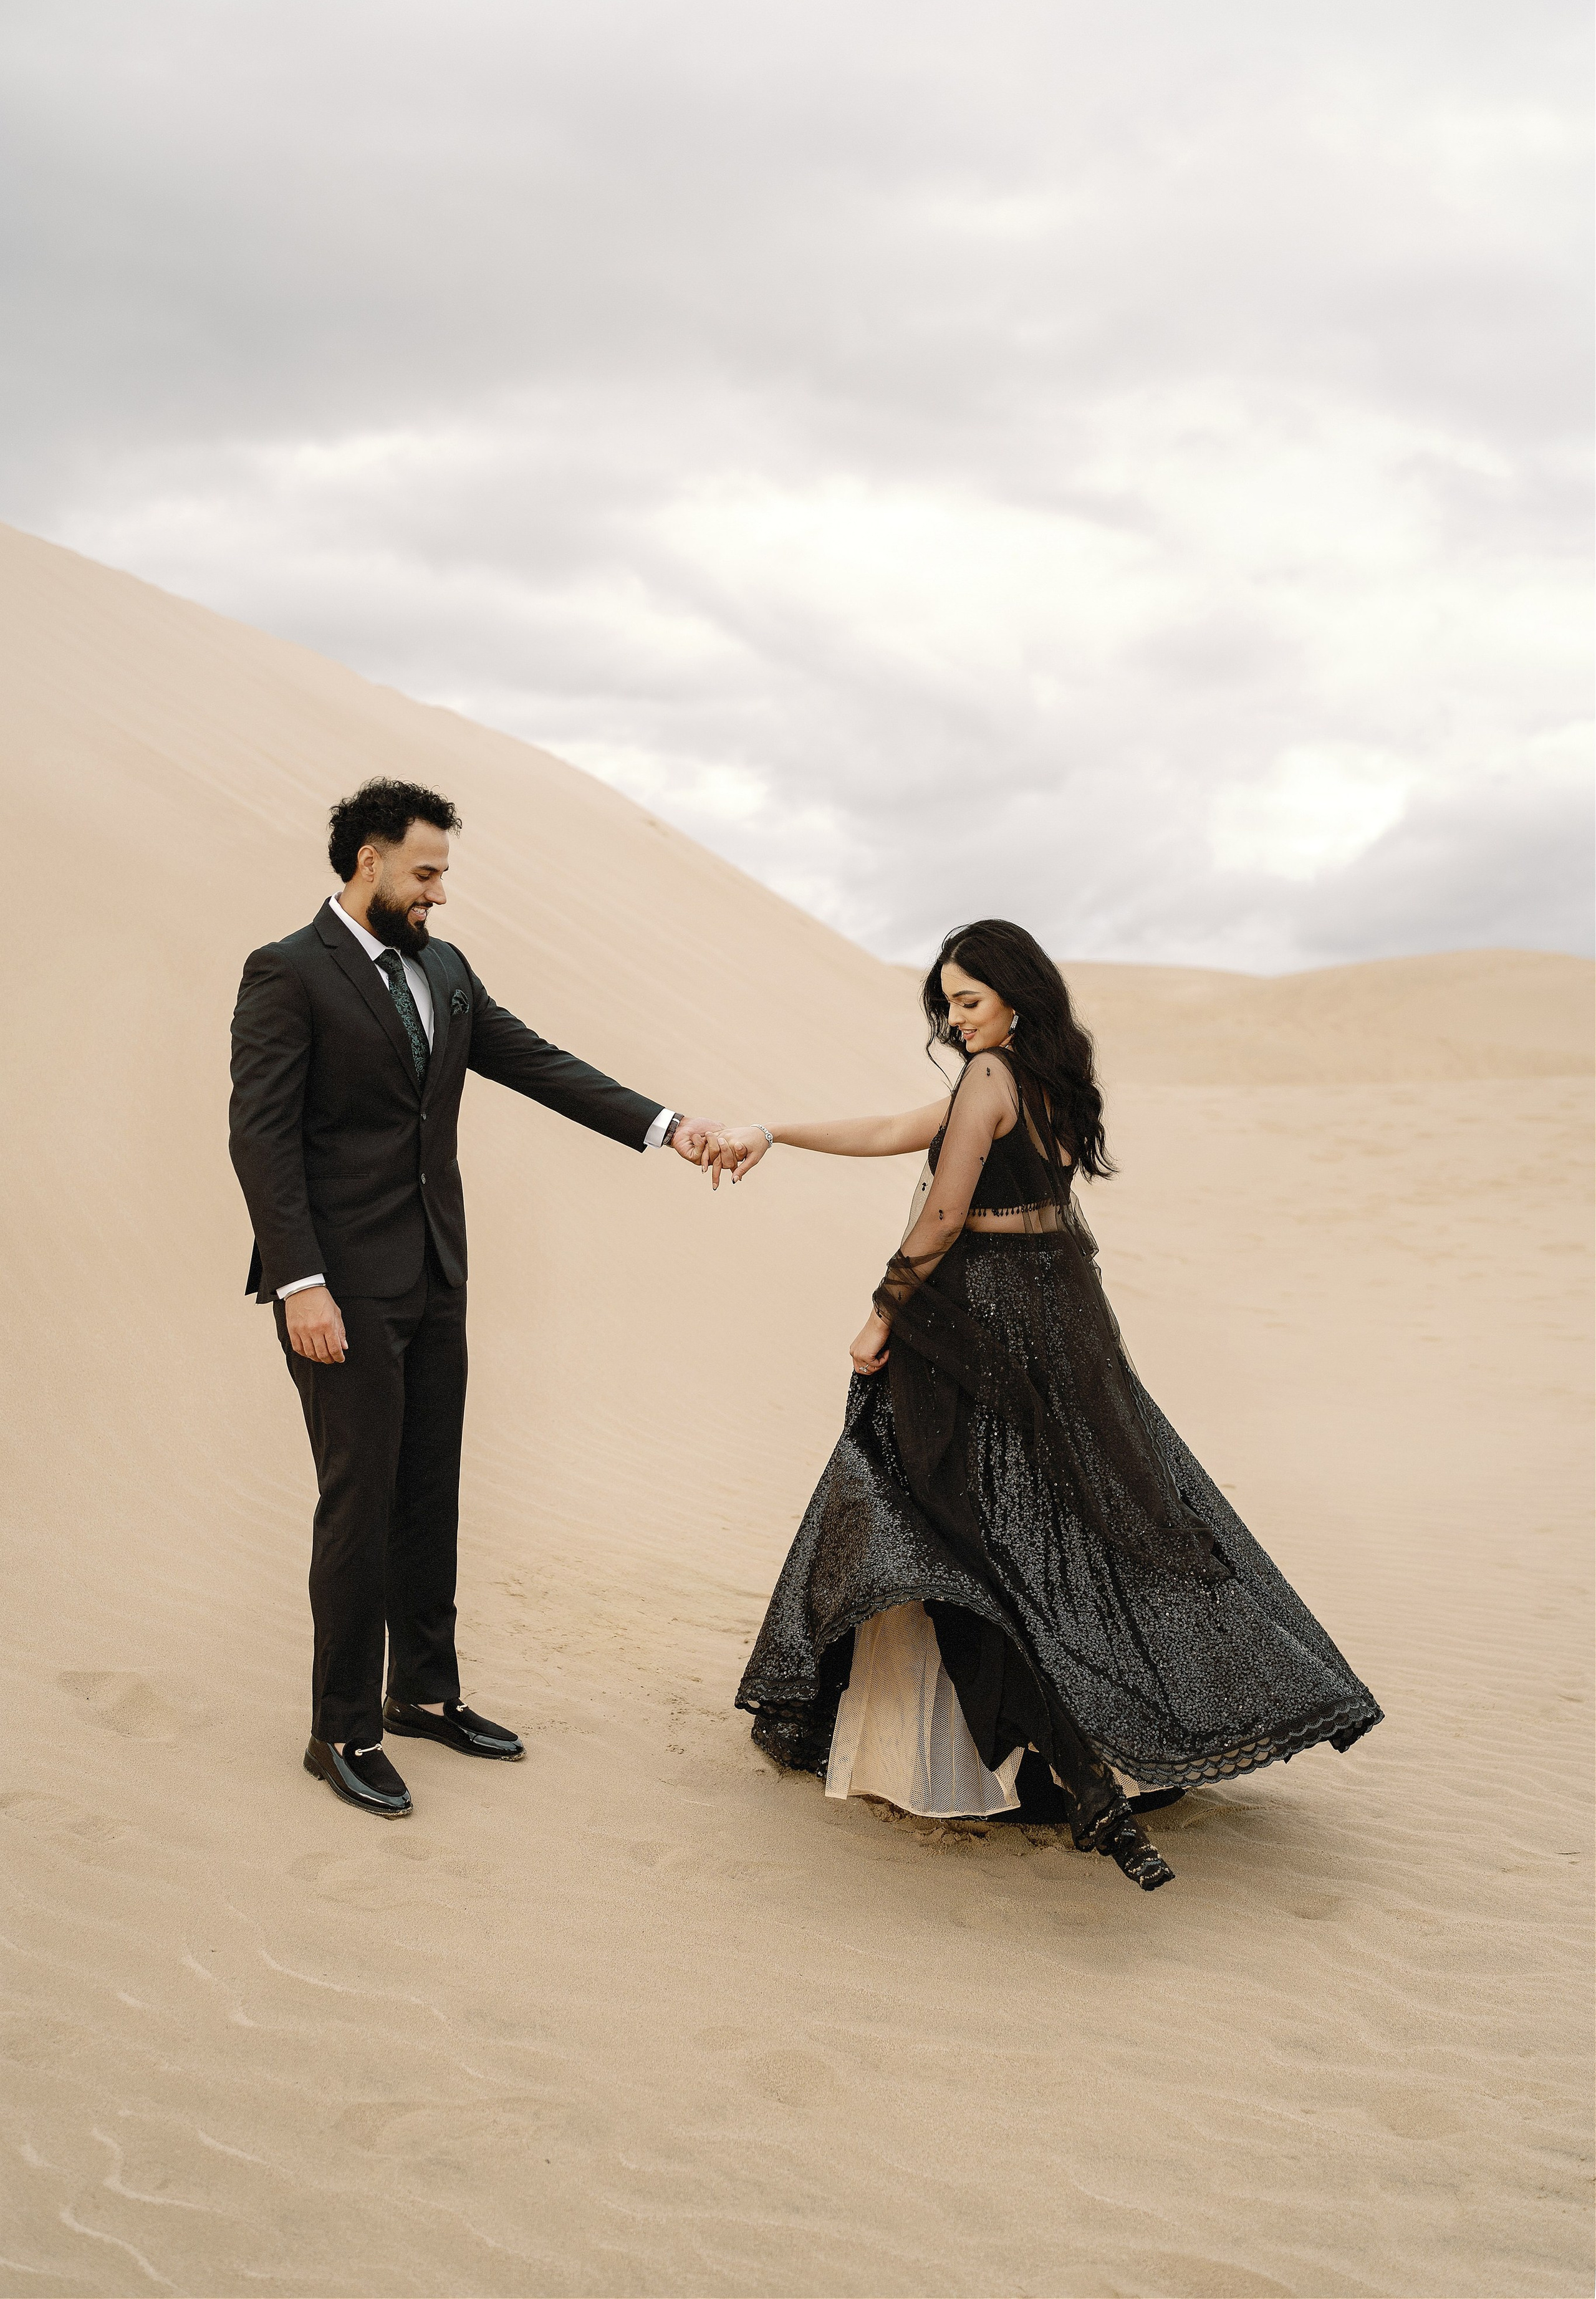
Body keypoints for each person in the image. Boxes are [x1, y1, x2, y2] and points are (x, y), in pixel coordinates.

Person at [708, 918, 1382, 1892]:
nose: (953, 1016)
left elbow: (944, 1207)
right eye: (945, 999)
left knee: (943, 1512)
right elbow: (904, 1128)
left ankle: (1039, 1753)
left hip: (976, 1310)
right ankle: (1079, 1744)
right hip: (1057, 1303)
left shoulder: (991, 1076)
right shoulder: (1039, 1074)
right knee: (1069, 1515)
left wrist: (882, 1311)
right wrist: (773, 1129)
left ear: (1016, 995)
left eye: (969, 998)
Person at [229, 779, 723, 1820]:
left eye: (444, 872)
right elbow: (261, 1140)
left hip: (437, 1275)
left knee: (428, 1491)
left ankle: (422, 1692)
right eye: (426, 871)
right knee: (356, 1503)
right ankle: (341, 1727)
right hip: (340, 1290)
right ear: (367, 861)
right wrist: (301, 1281)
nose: (440, 893)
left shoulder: (444, 970)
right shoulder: (287, 973)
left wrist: (664, 1124)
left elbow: (533, 1061)